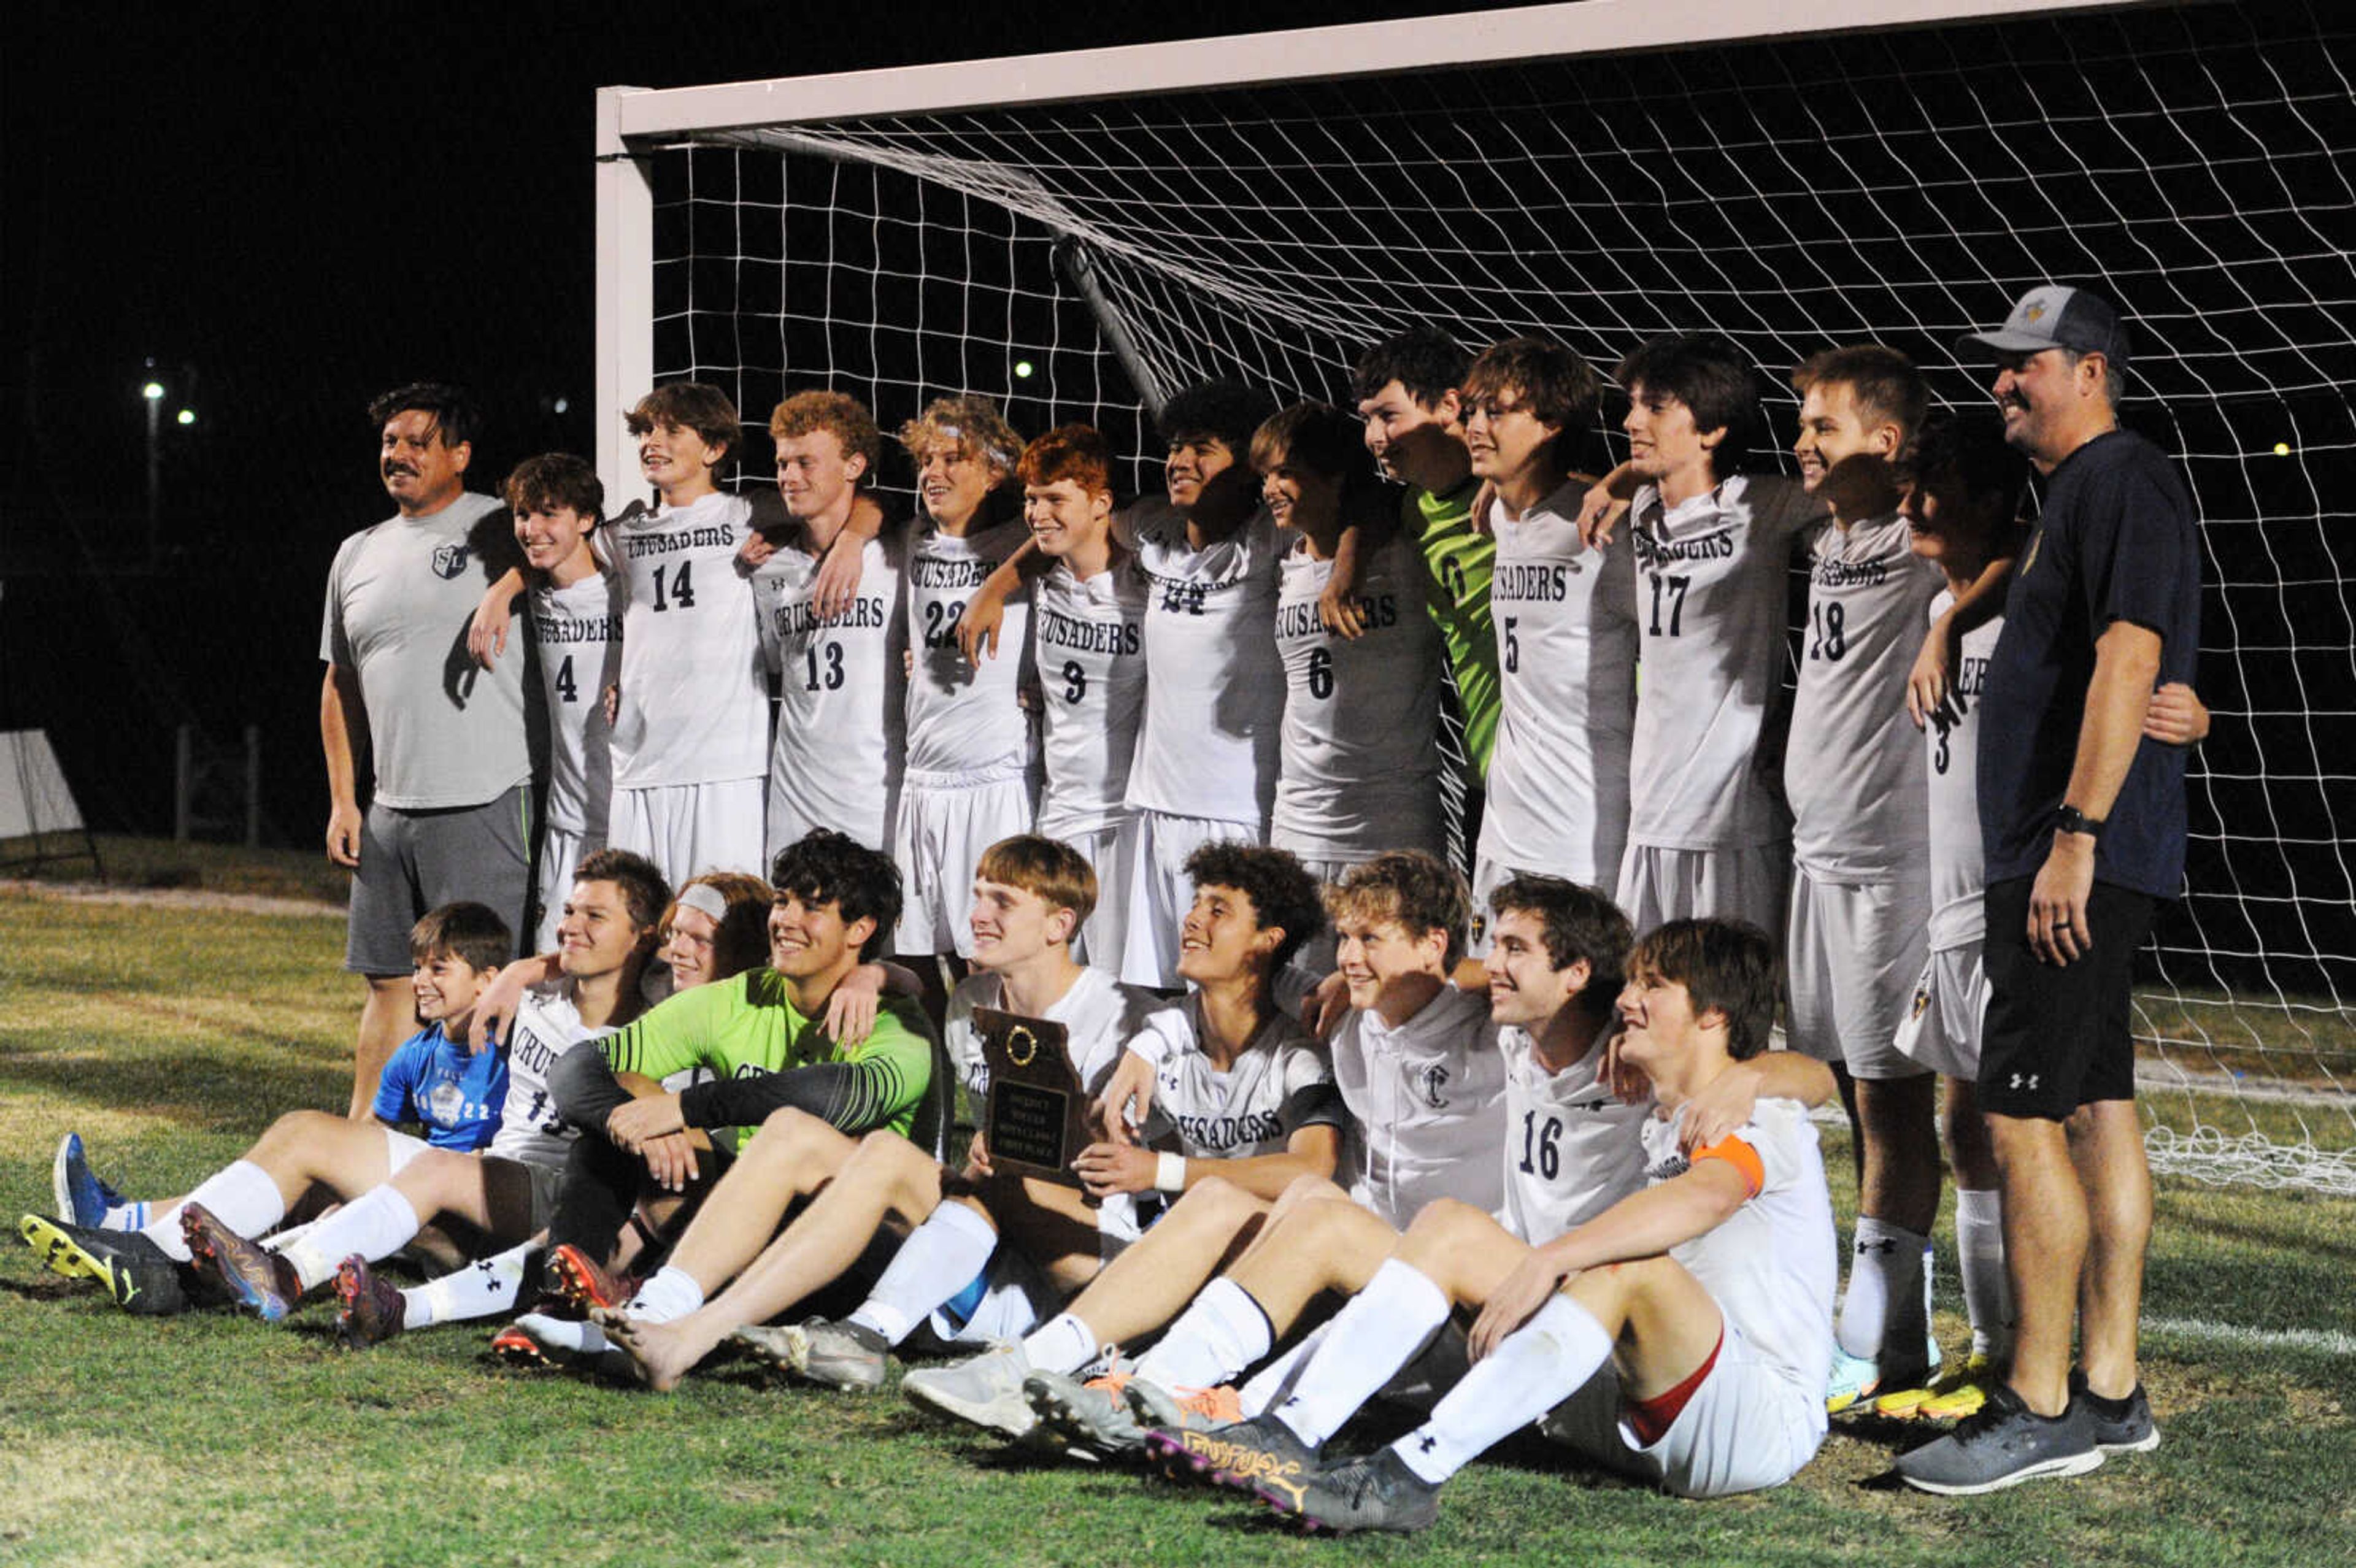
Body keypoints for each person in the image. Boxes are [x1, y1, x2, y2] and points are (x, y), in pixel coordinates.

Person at [1238, 919, 1838, 1534]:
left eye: (1651, 986)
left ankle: (1409, 1475)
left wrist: (1549, 1260)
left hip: (1755, 1423)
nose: (1625, 1001)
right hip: (1632, 1398)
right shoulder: (1666, 1115)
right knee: (1449, 1225)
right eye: (1629, 983)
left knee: (1629, 1267)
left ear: (1713, 1015)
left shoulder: (1763, 1114)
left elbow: (1709, 1195)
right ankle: (1285, 1431)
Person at [1898, 285, 2201, 1494]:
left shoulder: (2123, 478)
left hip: (2073, 856)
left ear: (2089, 371)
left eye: (2026, 365)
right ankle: (2113, 1394)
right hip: (2077, 851)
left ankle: (2037, 1401)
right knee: (2095, 1108)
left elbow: (2133, 654)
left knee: (2017, 1118)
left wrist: (2074, 834)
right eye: (2000, 366)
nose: (2002, 383)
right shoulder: (2077, 496)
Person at [900, 850, 1494, 1445]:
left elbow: (1521, 984)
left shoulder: (1478, 1036)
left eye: (1371, 939)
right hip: (1305, 1281)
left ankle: (1091, 1375)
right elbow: (1232, 1001)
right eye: (1345, 939)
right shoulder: (1343, 1023)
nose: (1349, 955)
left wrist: (1430, 970)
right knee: (1209, 1201)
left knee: (1272, 1199)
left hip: (1436, 1292)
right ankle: (1045, 1370)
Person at [585, 836, 1216, 1391]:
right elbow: (919, 983)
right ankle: (660, 1312)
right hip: (972, 1237)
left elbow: (1167, 1165)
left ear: (1059, 924)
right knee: (792, 1132)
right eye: (977, 896)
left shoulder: (1129, 1016)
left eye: (1003, 902)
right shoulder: (971, 1002)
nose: (978, 915)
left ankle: (733, 1333)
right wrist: (875, 976)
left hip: (1074, 1264)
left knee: (901, 1154)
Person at [171, 853, 672, 1325]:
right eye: (569, 911)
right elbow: (519, 971)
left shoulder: (662, 1028)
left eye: (595, 917)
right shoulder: (534, 991)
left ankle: (283, 1276)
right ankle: (169, 1253)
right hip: (491, 1181)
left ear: (644, 937)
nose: (570, 927)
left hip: (562, 1199)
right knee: (308, 1133)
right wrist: (524, 970)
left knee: (431, 1169)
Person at [511, 830, 931, 1363]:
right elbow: (578, 1068)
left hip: (856, 1248)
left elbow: (841, 1099)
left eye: (813, 907)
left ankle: (642, 1319)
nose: (785, 920)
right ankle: (561, 1307)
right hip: (740, 1223)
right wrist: (634, 1117)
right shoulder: (743, 996)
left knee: (785, 1137)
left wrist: (682, 1109)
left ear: (861, 930)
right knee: (608, 1138)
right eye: (783, 901)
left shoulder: (897, 1024)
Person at [333, 869, 774, 1348]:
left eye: (700, 939)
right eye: (674, 936)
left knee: (600, 1198)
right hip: (637, 1205)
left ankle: (584, 1317)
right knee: (598, 1162)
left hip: (738, 1217)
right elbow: (588, 1072)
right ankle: (427, 1304)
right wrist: (524, 971)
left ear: (743, 948)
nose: (677, 951)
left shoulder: (763, 1012)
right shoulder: (674, 1005)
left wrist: (664, 1116)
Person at [24, 902, 515, 1313]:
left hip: (476, 1228)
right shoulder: (415, 1053)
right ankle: (130, 1231)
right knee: (303, 1177)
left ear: (487, 981)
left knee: (304, 1135)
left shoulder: (516, 1048)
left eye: (438, 969)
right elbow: (368, 1138)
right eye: (416, 967)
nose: (419, 981)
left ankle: (149, 1245)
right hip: (425, 1208)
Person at [1777, 347, 1954, 1409]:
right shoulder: (1829, 533)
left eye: (1824, 425)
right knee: (1842, 1095)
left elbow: (2015, 563)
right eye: (1800, 422)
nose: (1802, 439)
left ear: (1887, 446)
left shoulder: (1923, 537)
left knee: (1892, 1108)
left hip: (1895, 859)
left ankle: (1876, 1339)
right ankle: (1898, 1336)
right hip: (1816, 853)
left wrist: (1955, 618)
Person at [320, 383, 533, 1116]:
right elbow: (338, 684)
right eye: (390, 443)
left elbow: (587, 541)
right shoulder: (358, 553)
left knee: (477, 983)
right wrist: (346, 800)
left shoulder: (503, 527)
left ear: (460, 455)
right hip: (387, 812)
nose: (398, 455)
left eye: (417, 442)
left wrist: (510, 583)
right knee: (387, 983)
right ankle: (360, 1147)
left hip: (482, 797)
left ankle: (471, 1148)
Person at [1577, 334, 1820, 943]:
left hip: (1732, 820)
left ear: (1712, 430)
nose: (1632, 420)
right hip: (1651, 813)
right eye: (1633, 404)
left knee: (1729, 1012)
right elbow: (1625, 477)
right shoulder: (1639, 513)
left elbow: (1862, 505)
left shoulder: (1762, 505)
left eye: (1655, 407)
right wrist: (1618, 480)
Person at [1462, 337, 1636, 931]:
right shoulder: (1498, 518)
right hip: (1504, 819)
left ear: (1552, 423)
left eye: (1497, 412)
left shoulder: (1606, 531)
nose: (1476, 426)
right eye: (1472, 411)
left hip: (1582, 826)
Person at [1257, 402, 1445, 951]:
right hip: (1299, 818)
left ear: (1335, 476)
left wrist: (1349, 564)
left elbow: (1384, 503)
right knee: (1297, 990)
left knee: (1391, 990)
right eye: (1265, 475)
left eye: (1285, 472)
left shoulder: (1406, 553)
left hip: (1393, 819)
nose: (1270, 488)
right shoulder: (1285, 565)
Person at [890, 397, 1039, 967]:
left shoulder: (1022, 546)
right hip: (922, 779)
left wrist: (998, 585)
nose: (934, 473)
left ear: (995, 472)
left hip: (993, 780)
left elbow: (1074, 527)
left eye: (954, 459)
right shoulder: (913, 541)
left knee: (993, 959)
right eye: (927, 461)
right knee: (920, 960)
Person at [1351, 326, 1501, 875]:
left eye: (1389, 416)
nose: (1374, 436)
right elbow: (1365, 512)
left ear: (1449, 406)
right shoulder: (1415, 512)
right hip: (1485, 771)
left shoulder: (1534, 501)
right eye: (1367, 418)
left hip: (1573, 774)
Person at [752, 391, 907, 863]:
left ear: (854, 465)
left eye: (805, 462)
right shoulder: (765, 566)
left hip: (880, 790)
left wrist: (855, 538)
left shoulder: (898, 554)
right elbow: (777, 665)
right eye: (782, 463)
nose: (788, 477)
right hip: (796, 793)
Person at [1020, 426, 1149, 969]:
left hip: (1129, 818)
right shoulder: (1040, 586)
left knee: (1127, 983)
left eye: (1055, 499)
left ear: (1101, 504)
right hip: (1060, 811)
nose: (1038, 513)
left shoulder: (1149, 585)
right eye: (1031, 499)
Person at [505, 453, 623, 952]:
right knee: (554, 965)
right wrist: (504, 588)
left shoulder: (628, 591)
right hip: (566, 820)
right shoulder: (534, 595)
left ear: (587, 519)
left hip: (631, 817)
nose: (532, 529)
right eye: (523, 514)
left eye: (549, 514)